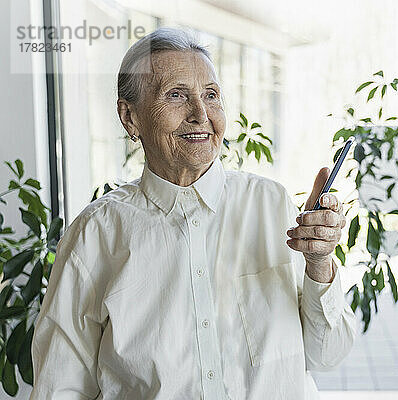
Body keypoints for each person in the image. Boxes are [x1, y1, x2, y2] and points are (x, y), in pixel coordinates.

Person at [29, 27, 356, 400]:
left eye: (211, 95)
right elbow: (60, 388)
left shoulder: (271, 204)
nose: (201, 114)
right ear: (130, 118)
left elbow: (327, 355)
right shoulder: (95, 235)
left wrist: (319, 264)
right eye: (177, 95)